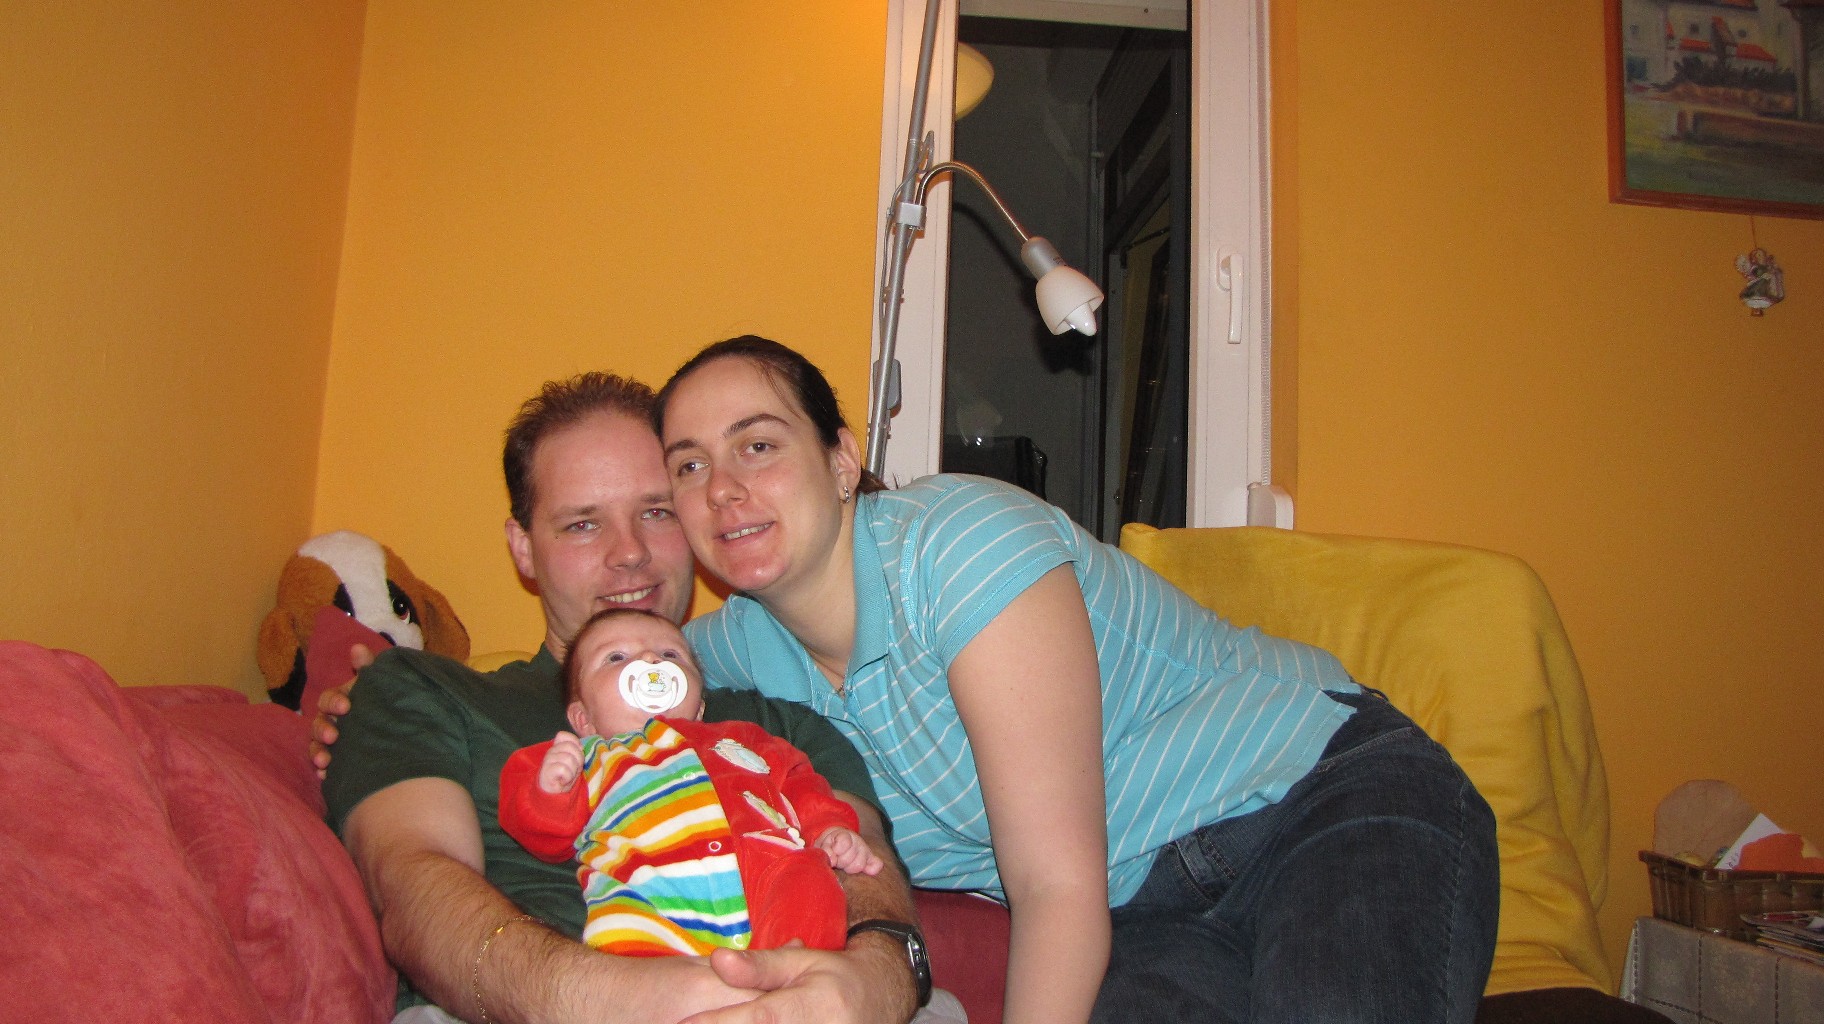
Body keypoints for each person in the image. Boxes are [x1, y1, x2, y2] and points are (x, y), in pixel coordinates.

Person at [654, 335, 1502, 1024]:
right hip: (1148, 916)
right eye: (689, 467)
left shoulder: (959, 547)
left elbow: (1054, 884)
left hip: (1318, 795)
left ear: (842, 459)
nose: (723, 489)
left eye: (758, 445)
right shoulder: (730, 658)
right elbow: (604, 682)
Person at [316, 371, 932, 1024]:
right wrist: (613, 998)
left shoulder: (779, 723)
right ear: (523, 548)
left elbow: (868, 875)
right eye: (583, 524)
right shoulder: (424, 689)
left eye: (657, 512)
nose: (630, 553)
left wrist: (875, 983)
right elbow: (413, 888)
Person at [499, 607, 883, 956]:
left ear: (699, 707)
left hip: (765, 876)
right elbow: (540, 831)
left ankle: (797, 975)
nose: (650, 661)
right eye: (616, 657)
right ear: (583, 719)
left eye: (670, 655)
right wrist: (551, 790)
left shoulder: (745, 740)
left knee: (810, 881)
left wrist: (829, 828)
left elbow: (801, 783)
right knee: (622, 937)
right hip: (650, 902)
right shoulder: (585, 758)